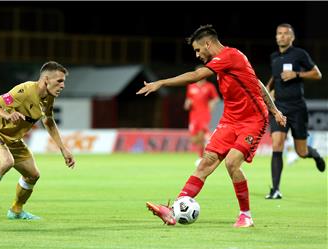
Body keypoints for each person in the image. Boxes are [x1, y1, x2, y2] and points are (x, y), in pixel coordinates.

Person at [137, 24, 286, 228]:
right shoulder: (224, 62)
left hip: (253, 120)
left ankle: (246, 215)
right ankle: (172, 212)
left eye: (198, 49)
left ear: (208, 43)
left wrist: (161, 82)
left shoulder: (229, 56)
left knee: (232, 162)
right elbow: (257, 83)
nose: (197, 54)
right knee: (205, 163)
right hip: (229, 120)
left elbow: (195, 76)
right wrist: (276, 110)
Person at [0, 61, 75, 222]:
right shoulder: (24, 91)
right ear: (46, 80)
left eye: (63, 82)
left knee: (33, 175)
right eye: (59, 81)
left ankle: (16, 210)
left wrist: (63, 149)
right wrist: (7, 115)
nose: (62, 85)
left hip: (13, 139)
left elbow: (48, 121)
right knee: (6, 162)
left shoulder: (48, 98)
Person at [265, 23, 325, 200]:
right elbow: (275, 77)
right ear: (276, 36)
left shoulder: (300, 54)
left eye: (285, 34)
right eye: (279, 33)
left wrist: (297, 75)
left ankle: (314, 155)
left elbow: (317, 74)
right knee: (277, 144)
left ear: (292, 37)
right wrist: (268, 89)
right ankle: (275, 189)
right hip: (279, 108)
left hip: (298, 108)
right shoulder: (274, 56)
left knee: (301, 152)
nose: (282, 36)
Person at [184, 66, 220, 166]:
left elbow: (216, 99)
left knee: (202, 136)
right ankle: (202, 156)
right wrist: (187, 103)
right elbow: (188, 99)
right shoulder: (191, 86)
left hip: (204, 115)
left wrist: (211, 105)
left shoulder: (209, 86)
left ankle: (202, 157)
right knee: (194, 140)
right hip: (193, 116)